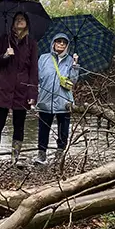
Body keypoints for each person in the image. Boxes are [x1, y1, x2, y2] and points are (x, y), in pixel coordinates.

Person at [0, 12, 38, 168]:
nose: (20, 21)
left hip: (23, 89)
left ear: (27, 23)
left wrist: (33, 93)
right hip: (3, 88)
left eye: (23, 19)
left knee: (19, 124)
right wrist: (5, 56)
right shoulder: (3, 40)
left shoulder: (31, 43)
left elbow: (34, 70)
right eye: (17, 19)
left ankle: (15, 156)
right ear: (13, 23)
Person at [35, 33, 79, 165]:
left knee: (63, 130)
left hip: (64, 101)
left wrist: (75, 66)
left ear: (67, 46)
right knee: (43, 129)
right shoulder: (43, 58)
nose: (61, 44)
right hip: (45, 99)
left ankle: (60, 155)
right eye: (58, 41)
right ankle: (41, 155)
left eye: (64, 42)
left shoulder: (71, 60)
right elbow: (37, 78)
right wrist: (36, 94)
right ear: (53, 43)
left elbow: (73, 81)